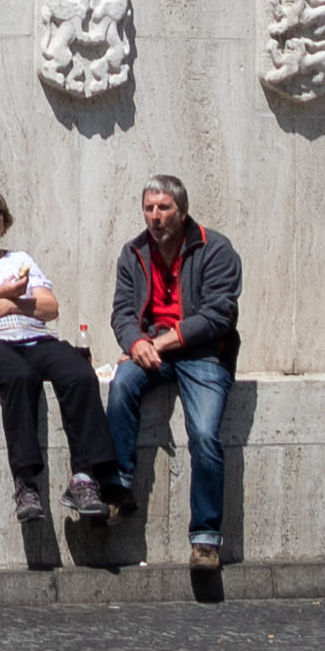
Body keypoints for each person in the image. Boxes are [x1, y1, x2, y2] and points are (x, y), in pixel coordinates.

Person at [0, 185, 117, 525]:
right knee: (18, 375)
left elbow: (50, 307)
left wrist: (12, 304)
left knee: (78, 372)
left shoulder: (20, 259)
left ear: (4, 222)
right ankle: (26, 483)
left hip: (32, 337)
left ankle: (85, 478)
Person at [106, 174, 244, 574]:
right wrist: (135, 343)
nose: (155, 216)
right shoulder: (134, 252)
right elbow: (122, 313)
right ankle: (118, 488)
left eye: (164, 208)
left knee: (204, 434)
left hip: (204, 354)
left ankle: (206, 539)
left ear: (182, 212)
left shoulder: (215, 249)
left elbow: (219, 315)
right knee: (122, 385)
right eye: (149, 208)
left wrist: (160, 343)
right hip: (152, 349)